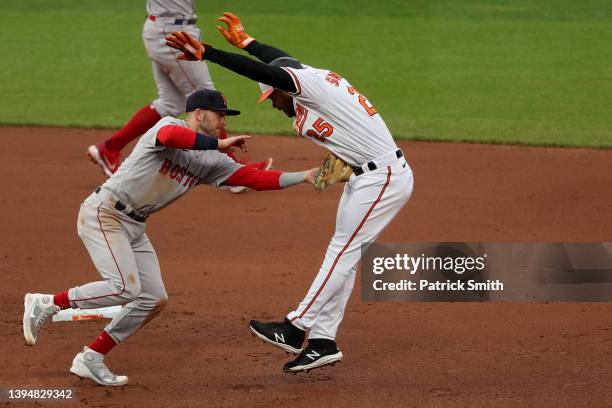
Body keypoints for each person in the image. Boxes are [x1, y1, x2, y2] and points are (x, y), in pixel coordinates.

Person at [165, 13, 414, 373]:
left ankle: (295, 328)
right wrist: (249, 43)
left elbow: (271, 72)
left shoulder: (305, 86)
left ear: (285, 88)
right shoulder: (312, 80)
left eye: (273, 97)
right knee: (344, 256)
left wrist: (210, 53)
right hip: (367, 177)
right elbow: (280, 61)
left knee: (340, 254)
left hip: (383, 178)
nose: (273, 103)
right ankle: (324, 341)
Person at [23, 89, 318, 386]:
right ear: (199, 114)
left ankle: (92, 356)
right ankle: (48, 303)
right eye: (219, 115)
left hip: (135, 226)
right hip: (106, 213)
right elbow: (174, 141)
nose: (222, 122)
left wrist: (303, 176)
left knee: (153, 298)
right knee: (124, 288)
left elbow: (254, 179)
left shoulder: (211, 160)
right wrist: (218, 142)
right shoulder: (168, 126)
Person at [86, 0, 272, 192]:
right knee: (206, 96)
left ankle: (109, 148)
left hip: (166, 28)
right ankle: (233, 171)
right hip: (171, 31)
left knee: (170, 102)